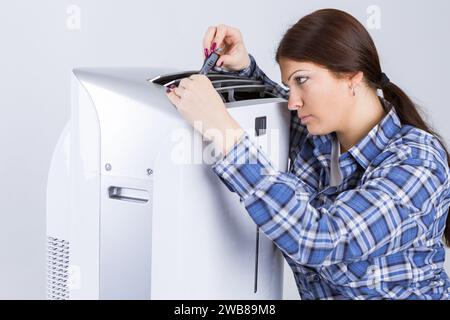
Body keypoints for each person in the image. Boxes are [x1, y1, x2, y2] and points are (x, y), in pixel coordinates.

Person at [165, 8, 450, 300]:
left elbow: (318, 238)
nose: (292, 101)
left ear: (351, 77)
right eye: (290, 85)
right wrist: (243, 68)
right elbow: (277, 103)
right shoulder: (319, 140)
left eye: (301, 80)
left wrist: (222, 130)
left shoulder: (418, 163)